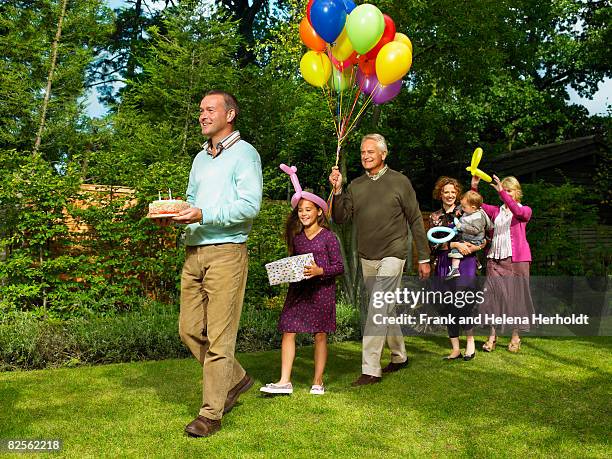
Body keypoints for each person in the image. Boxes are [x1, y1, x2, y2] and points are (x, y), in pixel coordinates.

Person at [155, 90, 263, 437]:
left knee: (219, 338)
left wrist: (205, 213)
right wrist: (176, 213)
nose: (202, 115)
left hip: (227, 254)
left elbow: (249, 207)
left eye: (209, 109)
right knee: (188, 330)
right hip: (194, 253)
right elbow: (191, 199)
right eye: (200, 110)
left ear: (229, 114)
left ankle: (211, 414)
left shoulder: (246, 155)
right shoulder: (199, 159)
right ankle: (237, 378)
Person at [328, 133, 431, 386]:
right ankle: (399, 356)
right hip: (368, 257)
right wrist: (338, 190)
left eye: (370, 152)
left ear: (383, 154)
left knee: (376, 307)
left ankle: (371, 369)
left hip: (394, 254)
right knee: (387, 308)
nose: (365, 156)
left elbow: (416, 220)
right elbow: (341, 218)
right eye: (363, 152)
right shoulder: (356, 185)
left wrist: (424, 257)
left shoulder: (400, 182)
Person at [260, 165, 344, 396]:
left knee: (319, 334)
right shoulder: (297, 238)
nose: (304, 214)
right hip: (298, 292)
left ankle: (318, 381)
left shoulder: (329, 237)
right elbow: (295, 263)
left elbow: (339, 267)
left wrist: (320, 271)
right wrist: (285, 272)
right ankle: (284, 381)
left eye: (308, 209)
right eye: (300, 211)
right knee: (288, 330)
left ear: (319, 211)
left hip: (321, 292)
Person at [473, 174, 534, 353]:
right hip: (495, 259)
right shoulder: (496, 211)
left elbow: (517, 211)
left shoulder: (525, 210)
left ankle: (515, 336)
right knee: (492, 298)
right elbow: (476, 205)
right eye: (504, 190)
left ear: (517, 193)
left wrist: (501, 191)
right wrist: (474, 187)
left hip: (517, 261)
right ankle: (492, 336)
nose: (506, 193)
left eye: (509, 191)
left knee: (516, 298)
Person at [429, 177, 483, 361]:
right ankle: (455, 348)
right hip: (444, 262)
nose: (450, 195)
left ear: (457, 194)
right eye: (446, 192)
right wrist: (455, 244)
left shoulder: (466, 211)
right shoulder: (435, 217)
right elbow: (433, 245)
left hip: (466, 262)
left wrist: (473, 247)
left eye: (453, 192)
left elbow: (483, 238)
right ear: (440, 194)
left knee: (463, 302)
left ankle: (470, 343)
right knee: (447, 305)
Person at [446, 190, 490, 280]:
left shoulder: (478, 217)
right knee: (460, 247)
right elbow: (464, 203)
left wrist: (460, 226)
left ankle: (455, 269)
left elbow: (476, 230)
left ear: (473, 208)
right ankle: (476, 263)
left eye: (463, 207)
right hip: (469, 239)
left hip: (475, 241)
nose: (462, 208)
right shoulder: (469, 208)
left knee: (456, 251)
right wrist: (459, 209)